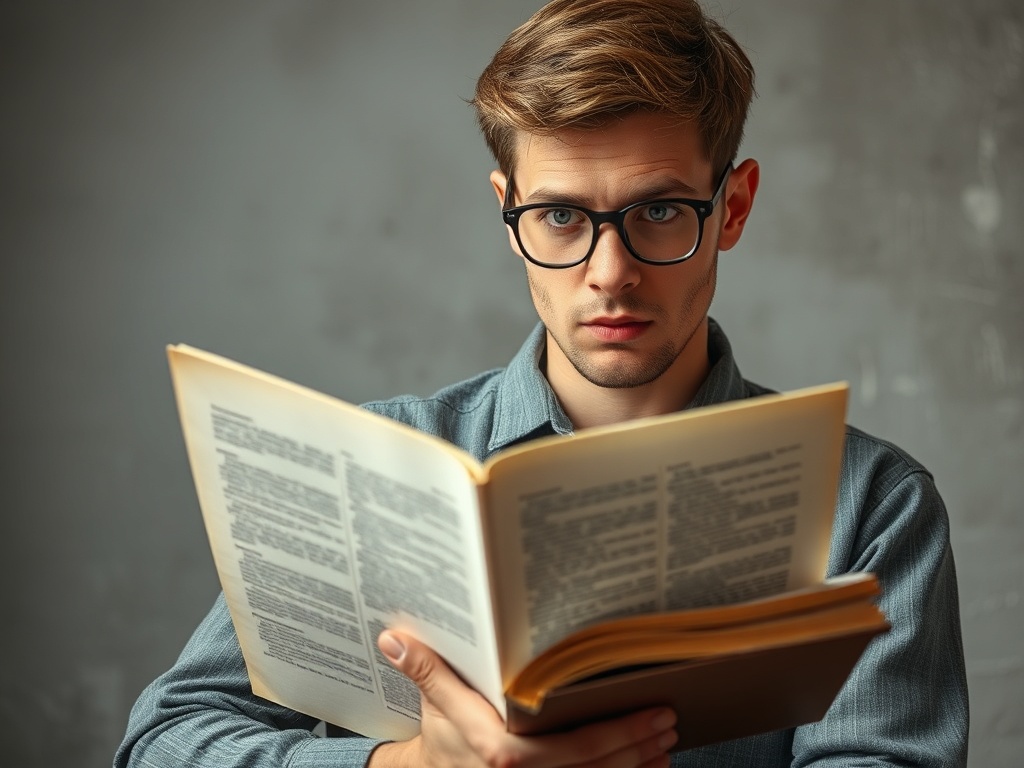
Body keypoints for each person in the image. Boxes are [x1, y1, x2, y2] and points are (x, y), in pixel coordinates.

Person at [114, 1, 969, 766]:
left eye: (661, 211)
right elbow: (164, 742)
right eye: (561, 216)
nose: (610, 272)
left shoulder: (870, 505)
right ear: (508, 213)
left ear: (733, 208)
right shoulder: (372, 463)